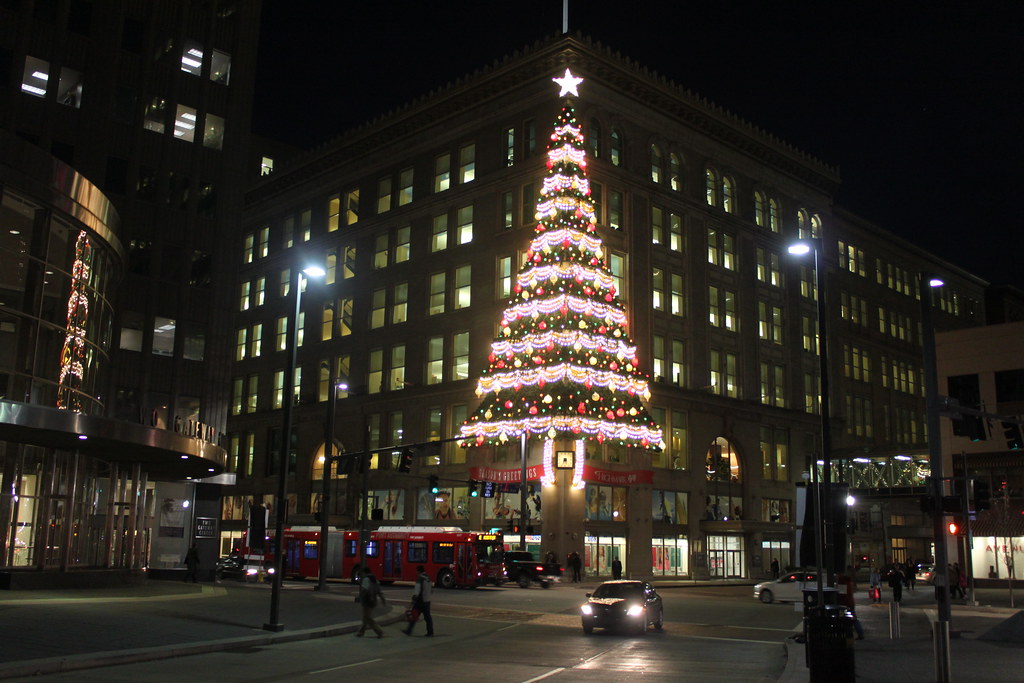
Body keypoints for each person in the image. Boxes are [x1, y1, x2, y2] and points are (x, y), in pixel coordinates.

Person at [402, 565, 433, 637]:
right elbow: (431, 590)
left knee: (414, 615)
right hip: (427, 600)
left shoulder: (420, 579)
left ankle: (408, 631)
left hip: (420, 601)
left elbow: (417, 590)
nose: (416, 572)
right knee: (428, 618)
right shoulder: (428, 578)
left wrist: (414, 598)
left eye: (416, 571)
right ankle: (430, 632)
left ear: (418, 571)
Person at [836, 568, 865, 639]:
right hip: (850, 603)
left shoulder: (842, 582)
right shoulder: (847, 581)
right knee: (853, 618)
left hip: (845, 604)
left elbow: (842, 595)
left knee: (845, 619)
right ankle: (860, 633)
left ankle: (848, 634)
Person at [356, 570, 385, 638]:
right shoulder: (375, 580)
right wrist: (383, 599)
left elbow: (364, 590)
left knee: (367, 617)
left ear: (364, 573)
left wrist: (360, 597)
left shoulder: (366, 579)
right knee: (365, 617)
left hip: (367, 600)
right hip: (373, 601)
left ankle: (379, 631)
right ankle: (361, 632)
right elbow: (379, 591)